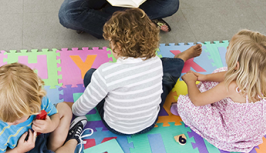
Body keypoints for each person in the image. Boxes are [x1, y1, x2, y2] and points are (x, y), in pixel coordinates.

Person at [71, 8, 202, 135]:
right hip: (149, 123)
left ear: (119, 46)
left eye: (110, 42)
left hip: (116, 127)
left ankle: (180, 59)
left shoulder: (106, 72)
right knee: (166, 80)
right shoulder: (155, 61)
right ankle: (181, 59)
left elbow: (83, 107)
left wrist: (73, 110)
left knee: (90, 75)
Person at [177, 29, 266, 153]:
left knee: (185, 103)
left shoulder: (231, 86)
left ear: (236, 65)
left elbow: (197, 101)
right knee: (219, 73)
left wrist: (190, 81)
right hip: (253, 129)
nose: (226, 49)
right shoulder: (263, 79)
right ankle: (210, 92)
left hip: (230, 134)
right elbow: (231, 74)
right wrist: (206, 77)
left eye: (228, 48)